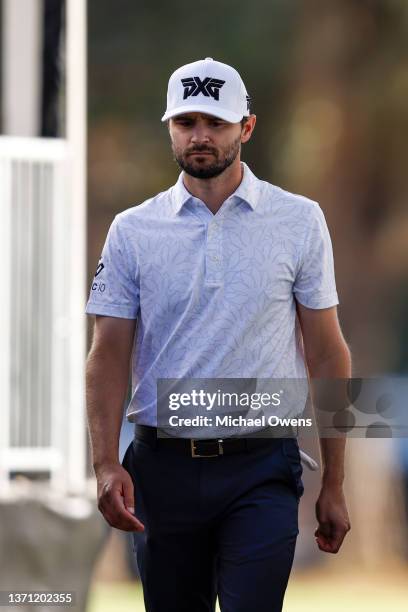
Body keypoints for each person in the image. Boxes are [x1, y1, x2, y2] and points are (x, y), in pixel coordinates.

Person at [85, 57, 351, 612]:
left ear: (246, 127)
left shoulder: (299, 220)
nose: (200, 137)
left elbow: (327, 352)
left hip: (261, 467)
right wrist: (106, 462)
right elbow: (108, 354)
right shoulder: (133, 231)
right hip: (163, 469)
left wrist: (335, 481)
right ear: (170, 128)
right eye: (186, 123)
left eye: (216, 123)